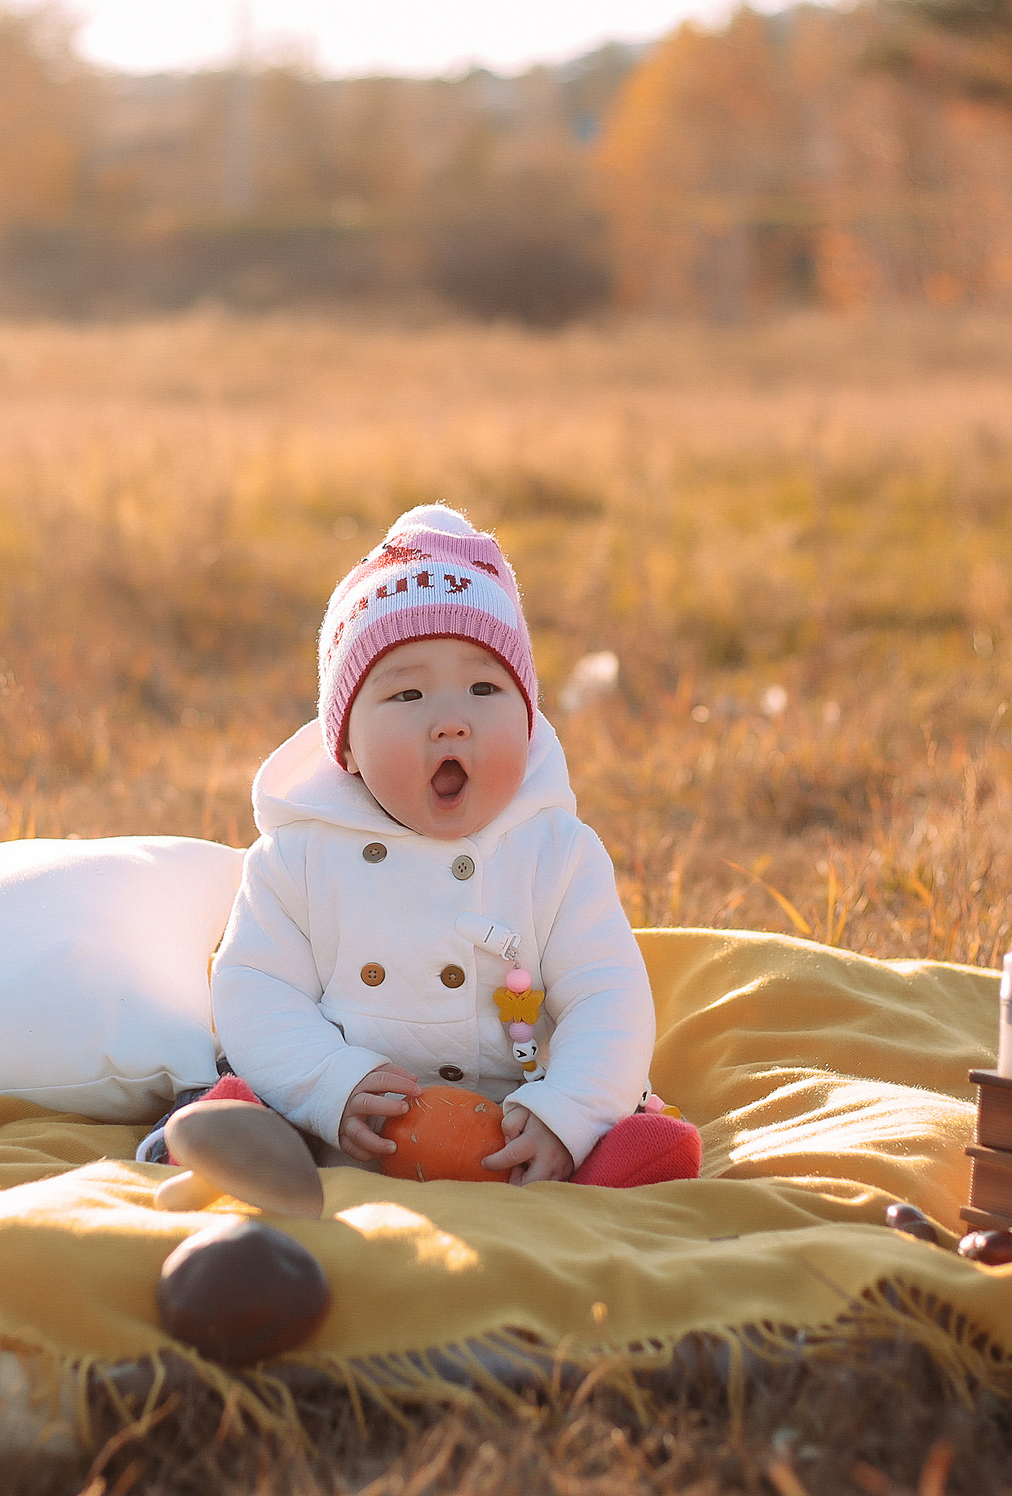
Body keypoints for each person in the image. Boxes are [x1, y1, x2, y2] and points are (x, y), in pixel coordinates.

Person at [208, 504, 696, 1186]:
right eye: (407, 693)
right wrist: (327, 1081)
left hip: (516, 1122)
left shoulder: (553, 852)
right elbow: (254, 988)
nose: (451, 723)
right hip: (352, 1119)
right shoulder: (299, 856)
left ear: (528, 722)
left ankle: (599, 1152)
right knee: (253, 1093)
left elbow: (607, 993)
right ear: (344, 742)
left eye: (484, 687)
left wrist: (570, 1109)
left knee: (624, 1115)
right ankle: (231, 1134)